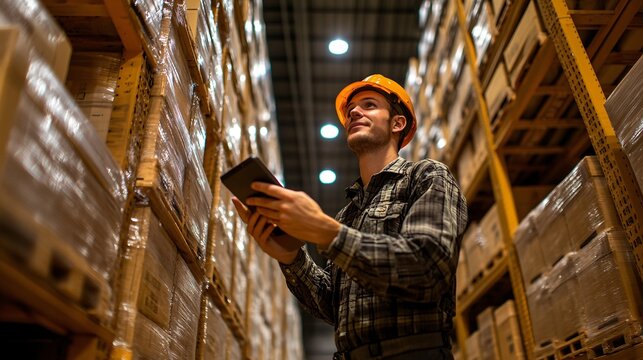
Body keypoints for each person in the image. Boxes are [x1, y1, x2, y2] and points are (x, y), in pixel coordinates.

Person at [232, 74, 468, 359]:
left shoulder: (426, 176)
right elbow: (335, 306)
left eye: (369, 105)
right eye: (351, 109)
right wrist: (291, 258)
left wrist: (328, 232)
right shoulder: (348, 213)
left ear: (397, 123)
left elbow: (426, 267)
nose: (354, 112)